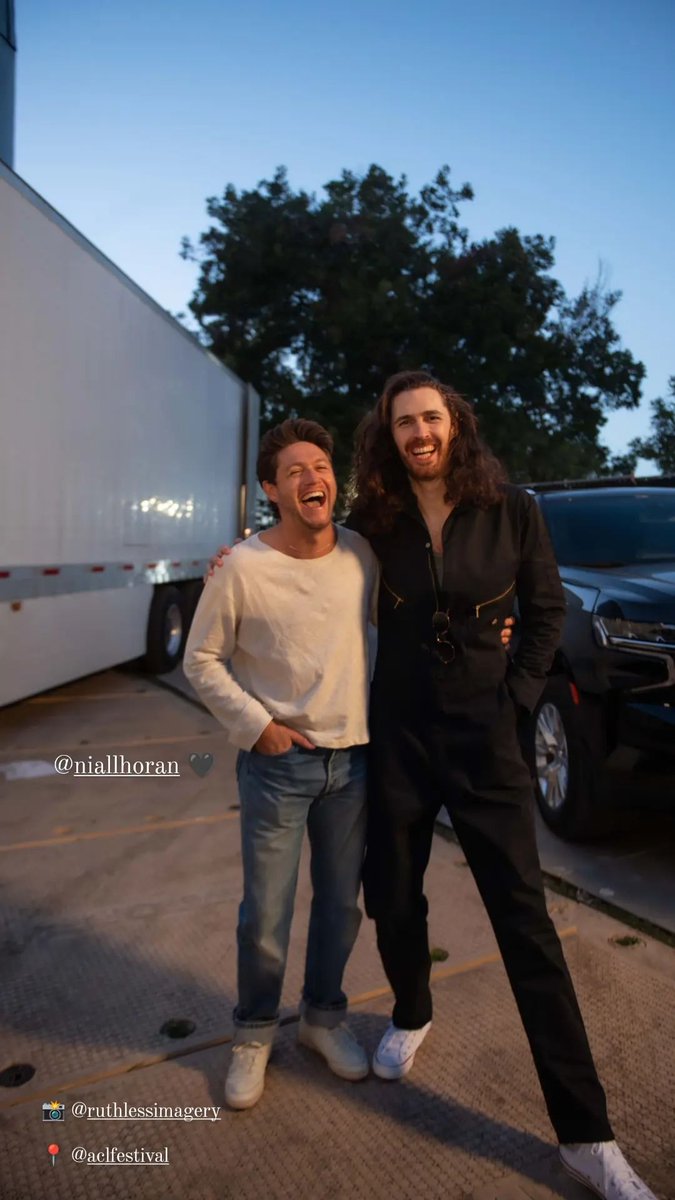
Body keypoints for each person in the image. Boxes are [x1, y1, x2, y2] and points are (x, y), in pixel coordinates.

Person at [346, 369, 656, 1200]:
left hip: (485, 743)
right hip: (400, 737)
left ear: (455, 424)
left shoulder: (511, 506)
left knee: (526, 930)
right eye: (402, 421)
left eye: (430, 418)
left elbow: (546, 609)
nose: (417, 432)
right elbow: (312, 571)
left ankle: (584, 1135)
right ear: (388, 433)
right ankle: (410, 1012)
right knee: (394, 899)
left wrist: (515, 701)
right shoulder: (372, 519)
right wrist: (253, 549)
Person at [183, 418, 378, 1109]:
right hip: (277, 768)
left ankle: (322, 1022)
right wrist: (256, 726)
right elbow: (199, 658)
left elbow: (416, 617)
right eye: (293, 470)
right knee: (264, 914)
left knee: (338, 910)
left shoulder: (362, 555)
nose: (310, 477)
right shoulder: (241, 567)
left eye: (319, 466)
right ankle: (254, 1034)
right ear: (271, 488)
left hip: (352, 766)